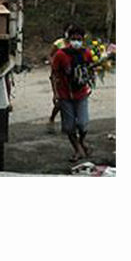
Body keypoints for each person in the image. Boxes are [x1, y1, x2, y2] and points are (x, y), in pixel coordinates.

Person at [51, 25, 95, 162]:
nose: (76, 42)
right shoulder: (60, 55)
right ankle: (77, 150)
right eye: (74, 39)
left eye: (79, 39)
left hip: (81, 94)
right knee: (69, 126)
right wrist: (55, 93)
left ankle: (81, 142)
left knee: (82, 124)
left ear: (83, 40)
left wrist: (91, 84)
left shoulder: (87, 53)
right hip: (65, 96)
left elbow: (91, 70)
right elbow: (54, 75)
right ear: (68, 40)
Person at [47, 23, 74, 132]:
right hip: (58, 74)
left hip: (71, 75)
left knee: (70, 99)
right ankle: (52, 118)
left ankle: (67, 125)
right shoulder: (58, 43)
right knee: (59, 100)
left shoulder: (75, 43)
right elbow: (50, 55)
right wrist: (54, 64)